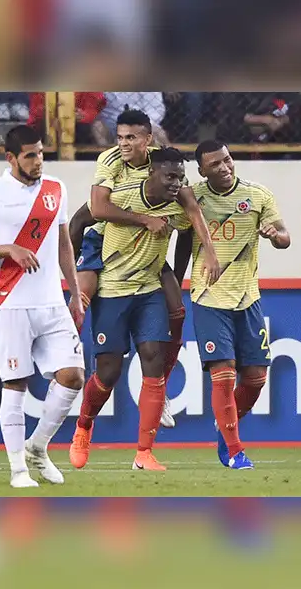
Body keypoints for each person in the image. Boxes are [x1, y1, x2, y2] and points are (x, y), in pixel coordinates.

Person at [71, 148, 209, 472]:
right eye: (170, 176)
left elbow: (187, 233)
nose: (176, 183)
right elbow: (78, 220)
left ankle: (144, 453)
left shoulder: (179, 205)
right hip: (113, 289)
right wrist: (72, 267)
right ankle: (83, 427)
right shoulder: (119, 197)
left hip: (149, 289)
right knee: (108, 372)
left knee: (152, 355)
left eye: (180, 177)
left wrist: (176, 274)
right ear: (151, 173)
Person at [0, 125, 86, 489]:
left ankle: (38, 446)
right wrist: (9, 249)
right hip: (11, 303)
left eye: (41, 154)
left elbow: (64, 243)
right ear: (11, 158)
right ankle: (19, 469)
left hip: (51, 302)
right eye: (30, 155)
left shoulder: (56, 189)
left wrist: (76, 293)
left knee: (73, 376)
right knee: (15, 385)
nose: (38, 162)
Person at [69, 109, 194, 429]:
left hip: (144, 251)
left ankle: (162, 386)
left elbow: (188, 224)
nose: (123, 144)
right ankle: (65, 357)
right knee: (81, 295)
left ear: (147, 139)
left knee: (177, 309)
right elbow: (91, 213)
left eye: (131, 138)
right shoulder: (110, 162)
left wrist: (178, 278)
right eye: (120, 137)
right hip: (102, 241)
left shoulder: (165, 167)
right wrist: (70, 268)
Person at [174, 139, 290, 470]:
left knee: (255, 379)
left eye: (228, 160)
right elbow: (180, 233)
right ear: (201, 171)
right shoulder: (193, 197)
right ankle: (235, 449)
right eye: (216, 164)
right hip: (209, 297)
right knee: (223, 374)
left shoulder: (258, 195)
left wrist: (274, 235)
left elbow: (285, 238)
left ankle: (225, 426)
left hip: (248, 298)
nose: (225, 167)